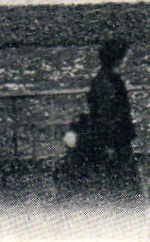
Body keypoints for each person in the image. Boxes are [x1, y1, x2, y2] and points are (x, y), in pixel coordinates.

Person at [56, 38, 141, 203]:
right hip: (114, 142)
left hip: (113, 139)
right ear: (119, 59)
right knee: (122, 190)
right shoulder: (110, 83)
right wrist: (111, 143)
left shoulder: (102, 79)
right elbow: (108, 116)